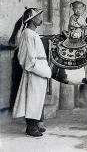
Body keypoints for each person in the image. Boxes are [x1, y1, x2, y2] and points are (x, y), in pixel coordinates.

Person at [12, 8, 51, 137]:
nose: (41, 19)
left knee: (37, 98)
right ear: (32, 19)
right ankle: (31, 127)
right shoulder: (28, 34)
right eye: (39, 16)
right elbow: (27, 58)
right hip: (34, 72)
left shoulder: (32, 34)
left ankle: (34, 124)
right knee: (32, 99)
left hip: (39, 70)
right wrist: (42, 70)